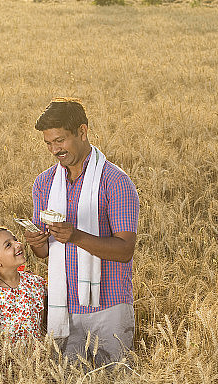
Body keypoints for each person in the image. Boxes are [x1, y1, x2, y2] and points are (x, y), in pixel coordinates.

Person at [24, 98, 139, 367]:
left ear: (82, 132)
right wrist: (36, 242)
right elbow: (44, 253)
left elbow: (124, 250)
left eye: (60, 140)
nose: (54, 150)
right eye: (48, 143)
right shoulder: (44, 184)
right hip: (63, 309)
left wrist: (75, 237)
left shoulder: (116, 182)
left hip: (109, 307)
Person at [0, 227, 47, 344]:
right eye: (8, 245)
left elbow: (43, 323)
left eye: (15, 239)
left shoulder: (35, 282)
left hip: (38, 358)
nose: (18, 244)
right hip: (7, 359)